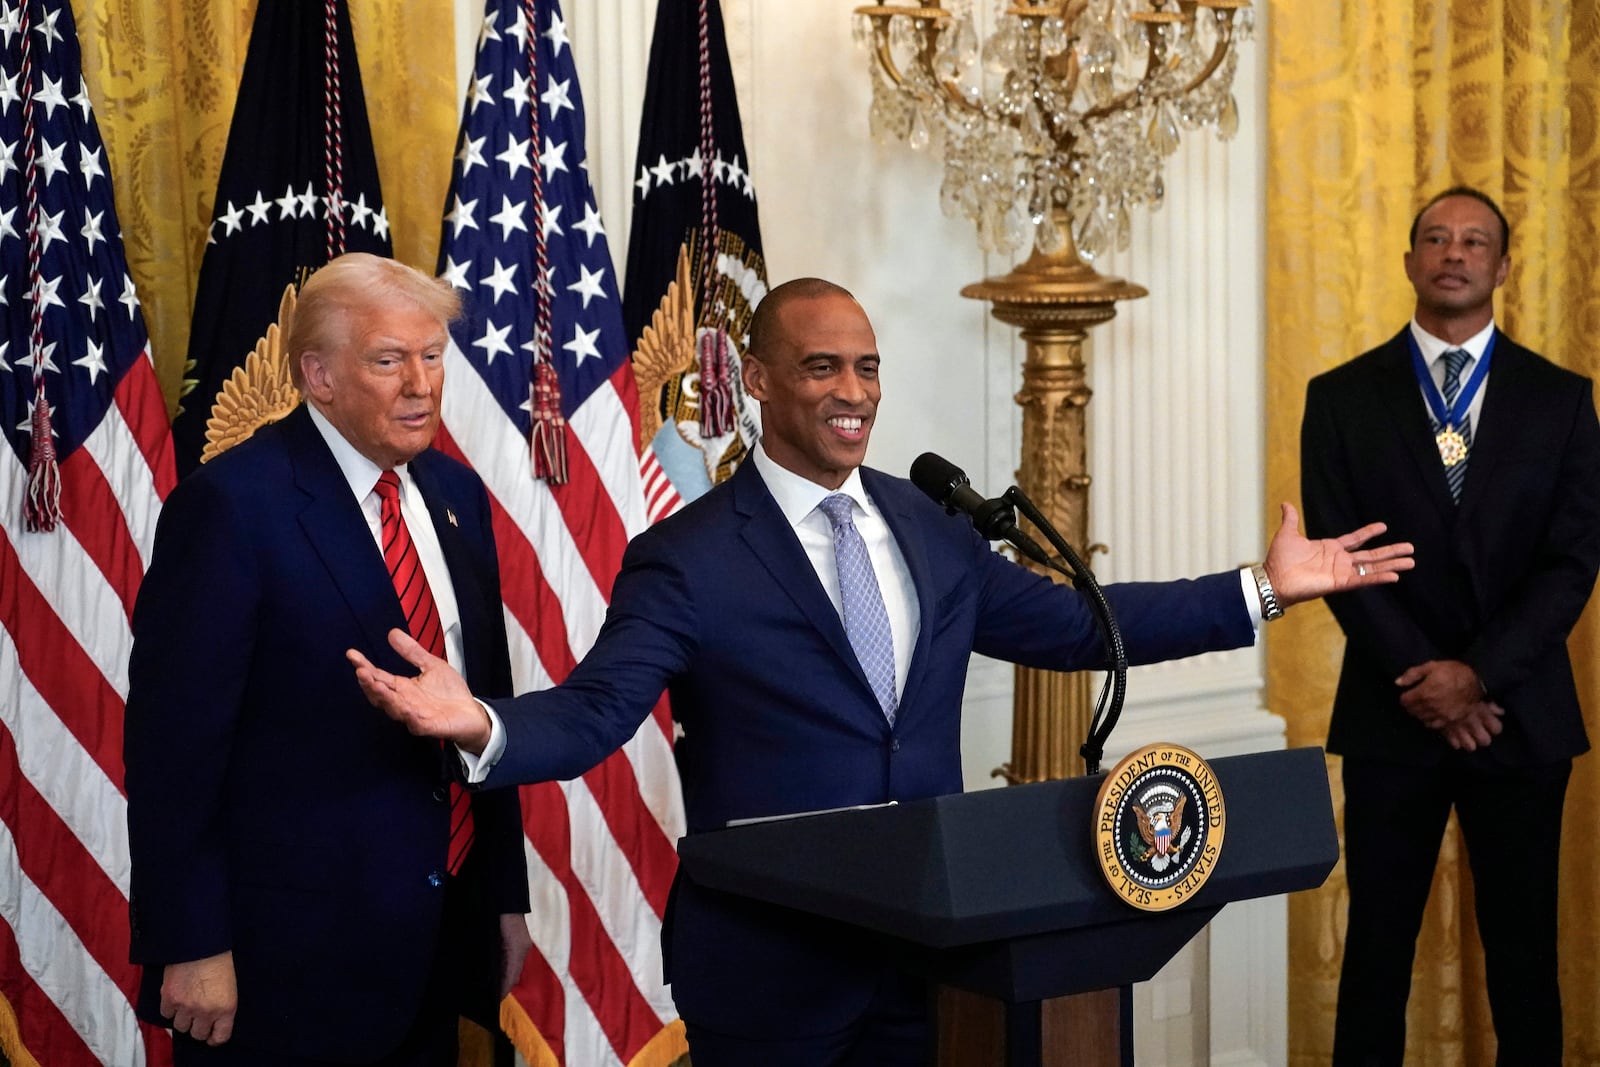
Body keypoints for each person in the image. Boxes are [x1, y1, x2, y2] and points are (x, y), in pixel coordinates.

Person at [351, 277, 1412, 1067]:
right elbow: (598, 709)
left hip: (931, 951)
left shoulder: (926, 521)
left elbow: (1077, 624)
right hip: (772, 970)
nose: (852, 391)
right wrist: (482, 721)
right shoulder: (690, 552)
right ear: (758, 381)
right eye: (821, 367)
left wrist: (1260, 589)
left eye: (865, 366)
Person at [124, 253, 532, 1066]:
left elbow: (481, 705)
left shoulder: (456, 495)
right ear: (319, 374)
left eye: (431, 357)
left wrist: (502, 899)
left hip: (438, 934)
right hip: (285, 959)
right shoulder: (232, 506)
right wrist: (194, 940)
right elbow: (174, 749)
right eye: (388, 360)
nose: (420, 383)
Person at [1300, 187, 1600, 1065]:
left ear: (1503, 268)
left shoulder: (1561, 399)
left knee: (1522, 962)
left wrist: (1480, 677)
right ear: (1408, 261)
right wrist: (1429, 680)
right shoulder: (1342, 397)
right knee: (1376, 957)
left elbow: (1572, 560)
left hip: (1520, 715)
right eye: (1435, 237)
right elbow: (1341, 559)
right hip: (1393, 715)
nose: (1454, 252)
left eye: (1475, 241)